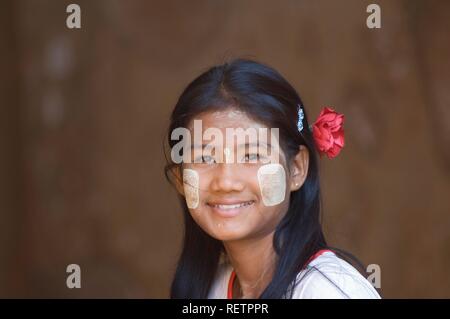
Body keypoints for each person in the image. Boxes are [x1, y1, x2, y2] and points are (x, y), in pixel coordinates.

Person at [164, 58, 381, 299]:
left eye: (252, 155)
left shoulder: (326, 292)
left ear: (296, 169)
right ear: (180, 178)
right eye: (205, 158)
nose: (225, 182)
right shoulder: (209, 289)